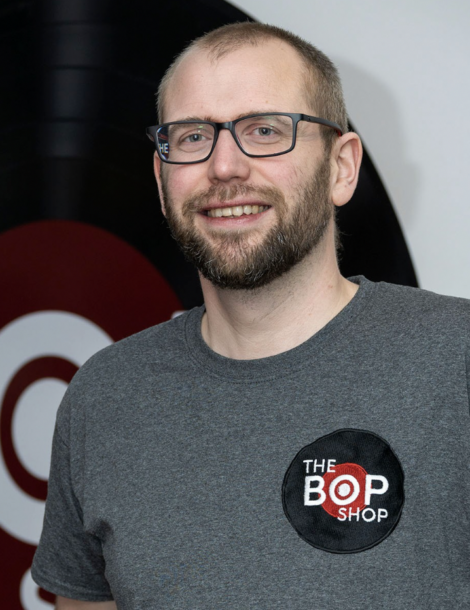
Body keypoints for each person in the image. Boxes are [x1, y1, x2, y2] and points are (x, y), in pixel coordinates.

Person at [32, 22, 470, 610]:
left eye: (265, 130)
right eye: (192, 137)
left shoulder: (456, 358)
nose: (224, 167)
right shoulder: (103, 396)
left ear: (341, 167)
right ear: (162, 181)